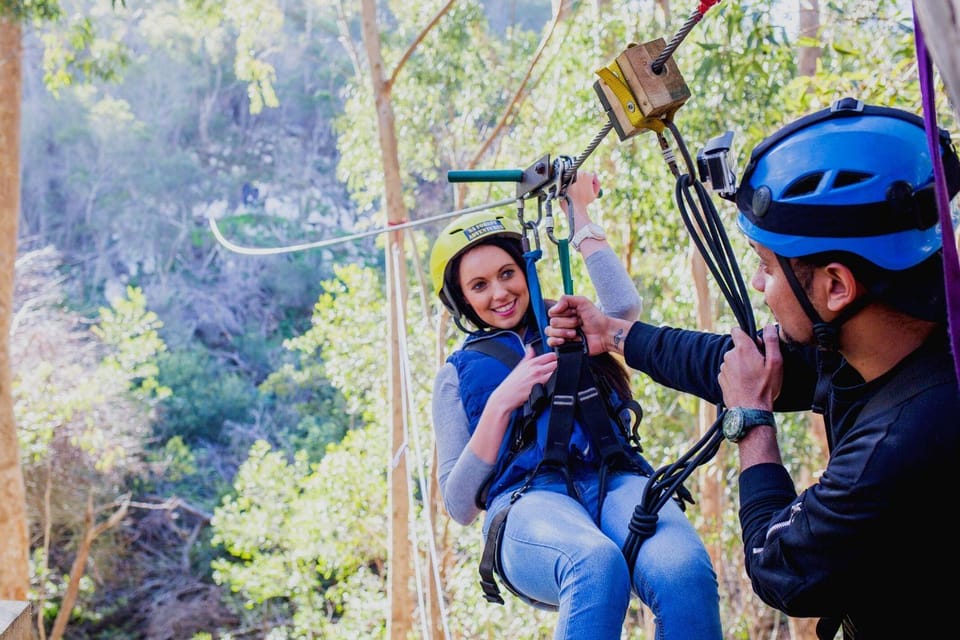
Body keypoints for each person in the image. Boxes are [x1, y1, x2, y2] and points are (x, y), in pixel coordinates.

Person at [545, 98, 960, 639]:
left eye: (767, 266)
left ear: (836, 286)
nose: (760, 285)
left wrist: (751, 421)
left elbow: (780, 568)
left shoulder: (901, 439)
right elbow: (734, 364)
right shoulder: (898, 334)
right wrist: (614, 334)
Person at [429, 171, 722, 640]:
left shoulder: (568, 322)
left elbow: (623, 307)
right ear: (462, 298)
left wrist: (578, 212)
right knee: (595, 564)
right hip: (527, 501)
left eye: (507, 274)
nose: (500, 293)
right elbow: (459, 503)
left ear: (525, 270)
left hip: (614, 478)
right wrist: (504, 400)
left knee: (682, 572)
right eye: (479, 285)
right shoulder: (456, 375)